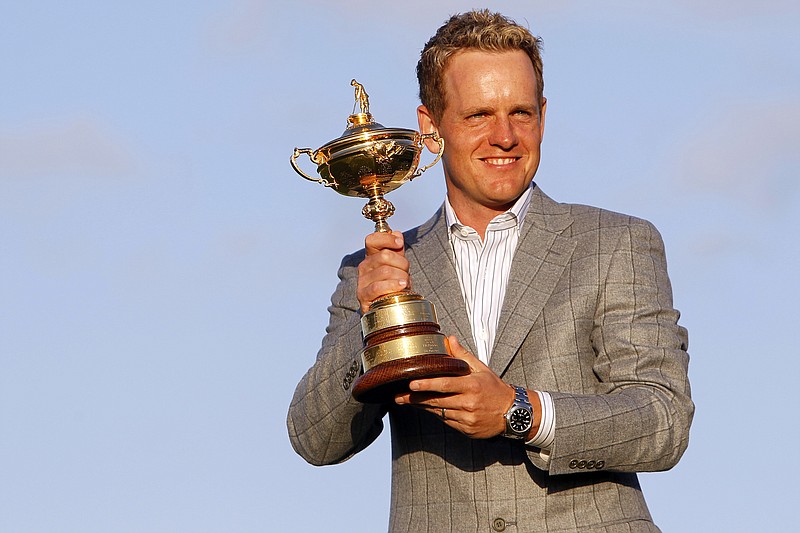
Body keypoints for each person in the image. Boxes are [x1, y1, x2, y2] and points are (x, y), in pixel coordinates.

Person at [288, 9, 693, 533]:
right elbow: (313, 439)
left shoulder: (617, 244)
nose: (504, 136)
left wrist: (521, 412)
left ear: (543, 116)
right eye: (478, 115)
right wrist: (369, 323)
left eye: (521, 113)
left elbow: (663, 421)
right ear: (430, 127)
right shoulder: (370, 272)